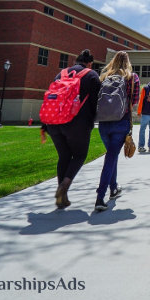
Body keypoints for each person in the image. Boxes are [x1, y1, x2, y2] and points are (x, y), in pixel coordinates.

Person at [45, 49, 100, 209]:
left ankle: (62, 196)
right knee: (79, 155)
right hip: (77, 123)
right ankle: (65, 186)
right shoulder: (91, 75)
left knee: (63, 156)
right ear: (89, 63)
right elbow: (96, 102)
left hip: (54, 122)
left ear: (76, 60)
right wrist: (92, 120)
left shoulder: (61, 74)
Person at [95, 51, 139, 211]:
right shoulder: (132, 78)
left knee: (111, 156)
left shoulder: (104, 77)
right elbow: (134, 101)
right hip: (121, 122)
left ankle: (113, 188)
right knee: (111, 158)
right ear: (128, 62)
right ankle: (100, 197)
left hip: (104, 124)